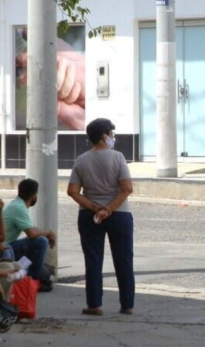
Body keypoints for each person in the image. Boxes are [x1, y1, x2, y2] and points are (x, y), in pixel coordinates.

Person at [67, 118, 135, 316]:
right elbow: (126, 188)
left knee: (93, 260)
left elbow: (72, 191)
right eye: (112, 133)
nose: (113, 137)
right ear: (105, 136)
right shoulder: (118, 158)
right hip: (120, 215)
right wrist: (109, 209)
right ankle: (127, 304)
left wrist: (95, 207)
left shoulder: (81, 160)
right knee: (123, 260)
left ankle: (94, 304)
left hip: (89, 216)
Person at [0, 178, 56, 291]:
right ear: (33, 196)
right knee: (41, 241)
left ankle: (27, 274)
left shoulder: (17, 204)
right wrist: (48, 233)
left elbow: (31, 228)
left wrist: (45, 233)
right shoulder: (19, 207)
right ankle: (33, 279)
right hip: (2, 248)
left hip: (6, 245)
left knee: (39, 244)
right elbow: (32, 233)